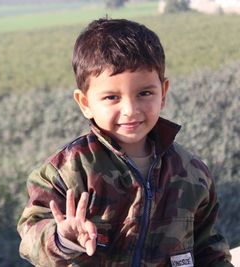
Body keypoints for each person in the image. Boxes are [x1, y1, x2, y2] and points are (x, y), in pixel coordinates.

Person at [17, 18, 233, 266]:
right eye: (111, 97)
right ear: (85, 103)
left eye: (144, 93)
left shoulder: (192, 173)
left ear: (163, 93)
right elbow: (31, 235)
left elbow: (208, 247)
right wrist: (63, 239)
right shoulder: (67, 171)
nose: (130, 110)